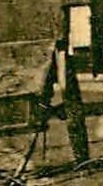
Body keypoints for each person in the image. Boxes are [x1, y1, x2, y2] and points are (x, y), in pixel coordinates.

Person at [38, 37, 90, 166]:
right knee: (43, 104)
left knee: (72, 106)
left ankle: (82, 158)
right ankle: (82, 158)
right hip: (50, 53)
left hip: (59, 53)